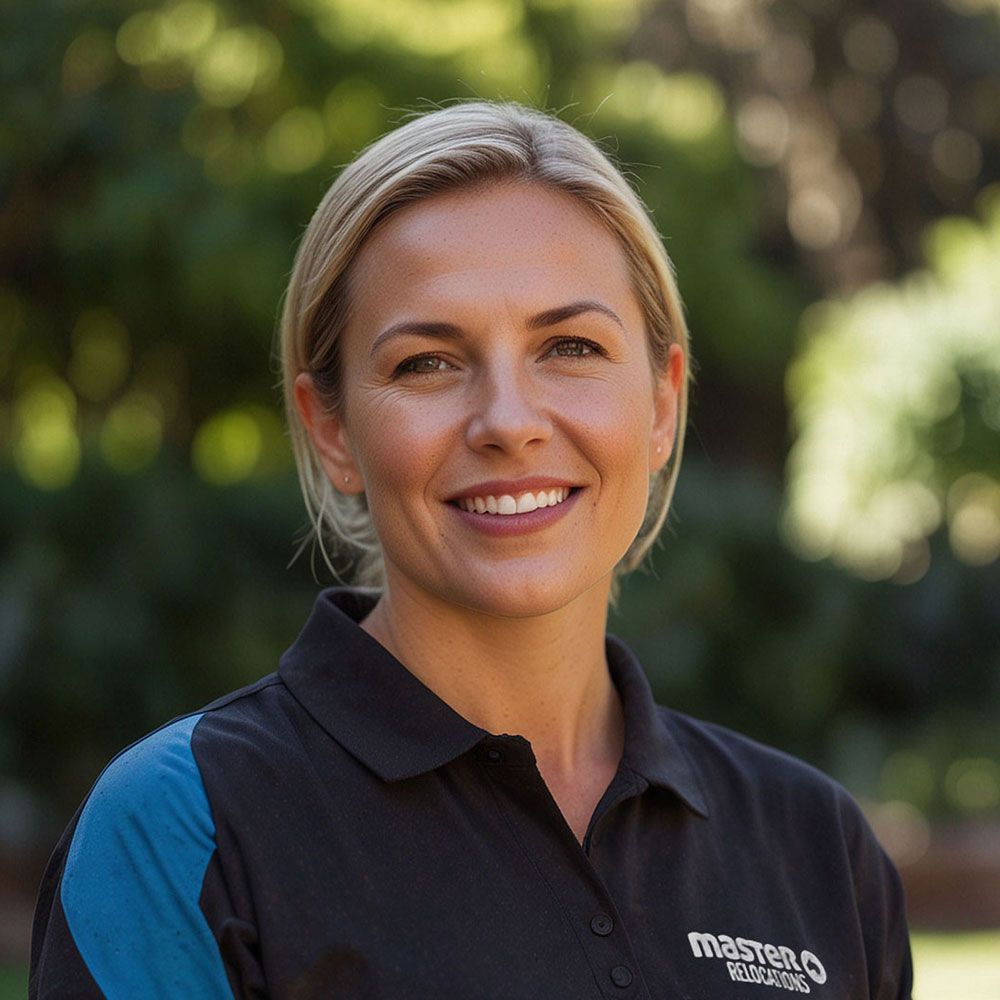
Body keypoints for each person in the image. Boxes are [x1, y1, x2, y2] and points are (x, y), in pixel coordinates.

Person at [30, 100, 913, 999]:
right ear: (331, 429)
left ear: (662, 403)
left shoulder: (818, 849)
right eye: (427, 362)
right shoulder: (183, 825)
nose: (508, 422)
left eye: (570, 346)